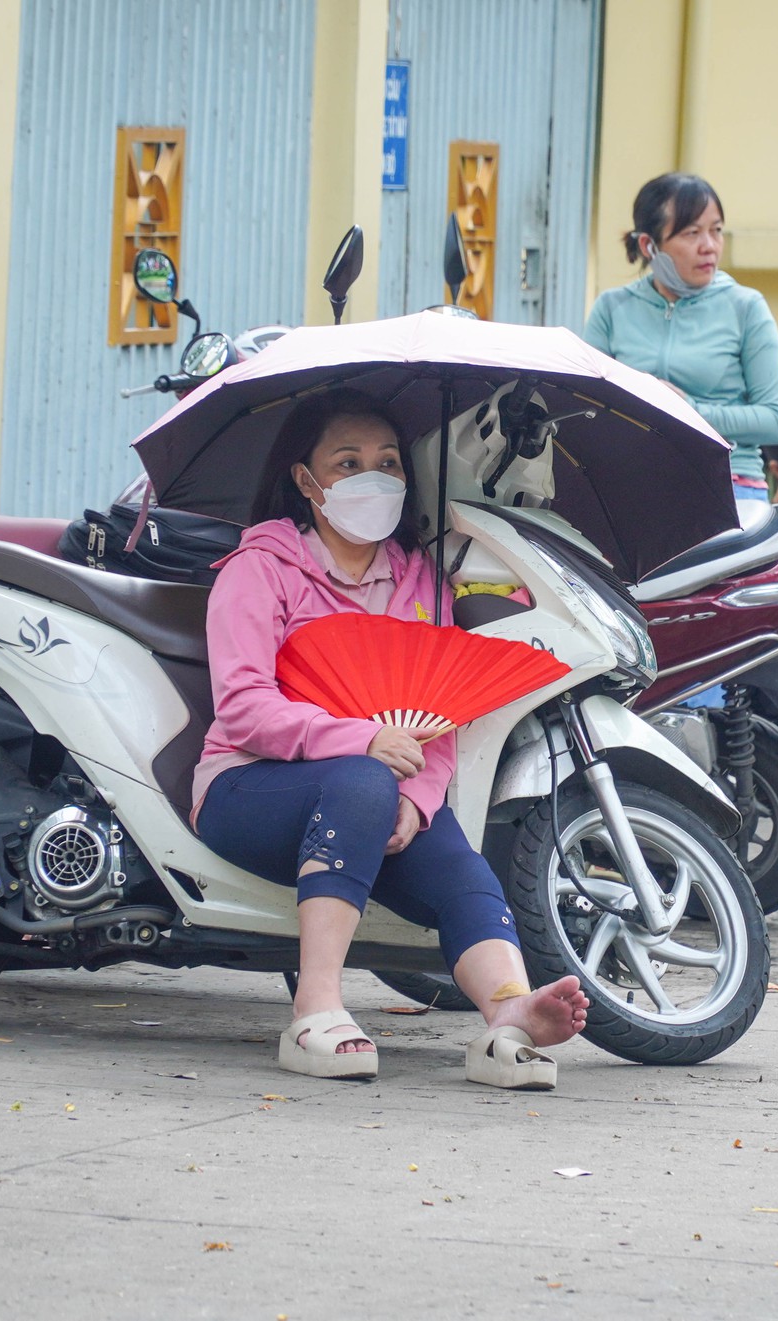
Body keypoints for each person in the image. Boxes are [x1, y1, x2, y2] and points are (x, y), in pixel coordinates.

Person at [192, 388, 588, 1086]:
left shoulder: (421, 583)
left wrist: (418, 802)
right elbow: (244, 707)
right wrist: (360, 739)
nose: (372, 476)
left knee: (455, 857)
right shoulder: (260, 569)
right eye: (348, 463)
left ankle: (507, 1011)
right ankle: (315, 1008)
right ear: (306, 482)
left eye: (387, 462)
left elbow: (438, 717)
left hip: (377, 805)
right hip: (248, 788)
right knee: (362, 777)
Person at [584, 172, 778, 505]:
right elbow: (584, 406)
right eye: (692, 233)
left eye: (716, 231)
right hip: (633, 483)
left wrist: (689, 411)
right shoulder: (612, 308)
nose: (709, 246)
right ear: (648, 245)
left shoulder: (746, 307)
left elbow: (777, 421)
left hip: (728, 485)